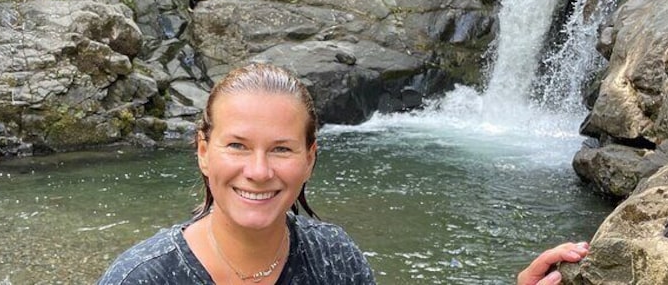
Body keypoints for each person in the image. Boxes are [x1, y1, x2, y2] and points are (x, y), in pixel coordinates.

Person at [98, 63, 588, 285]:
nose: (259, 170)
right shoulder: (141, 278)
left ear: (310, 158)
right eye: (237, 146)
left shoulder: (335, 260)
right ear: (203, 151)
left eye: (282, 149)